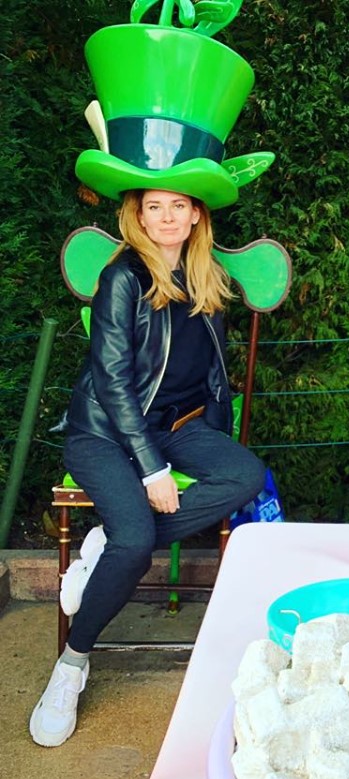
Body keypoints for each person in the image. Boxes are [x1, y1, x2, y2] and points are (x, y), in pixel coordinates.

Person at [30, 188, 265, 747]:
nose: (167, 217)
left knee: (245, 476)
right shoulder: (123, 278)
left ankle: (107, 550)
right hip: (104, 432)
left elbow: (211, 369)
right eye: (155, 207)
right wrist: (152, 470)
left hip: (178, 426)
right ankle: (71, 664)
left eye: (179, 206)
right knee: (135, 541)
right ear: (137, 215)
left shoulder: (206, 278)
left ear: (197, 214)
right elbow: (112, 381)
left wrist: (211, 429)